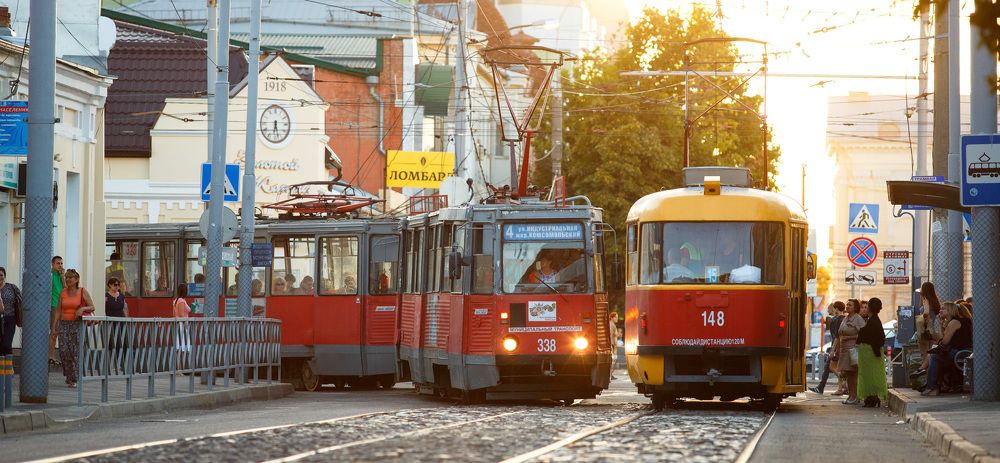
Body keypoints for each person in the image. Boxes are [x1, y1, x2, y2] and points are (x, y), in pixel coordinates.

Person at [922, 302, 973, 396]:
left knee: (934, 356)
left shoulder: (954, 322)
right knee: (936, 355)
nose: (940, 311)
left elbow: (944, 342)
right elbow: (943, 340)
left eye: (943, 309)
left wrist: (936, 330)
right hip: (965, 351)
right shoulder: (960, 321)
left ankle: (932, 387)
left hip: (960, 352)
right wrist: (942, 325)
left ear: (950, 310)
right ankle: (933, 385)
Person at [58, 269, 94, 387]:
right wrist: (54, 327)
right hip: (63, 323)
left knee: (75, 352)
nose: (68, 279)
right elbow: (58, 310)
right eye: (67, 277)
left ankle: (73, 378)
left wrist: (82, 309)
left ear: (76, 279)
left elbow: (92, 306)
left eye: (71, 277)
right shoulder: (63, 292)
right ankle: (69, 375)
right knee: (64, 351)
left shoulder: (82, 291)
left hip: (77, 324)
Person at [857, 298, 888, 407]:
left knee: (869, 376)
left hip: (869, 353)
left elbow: (877, 338)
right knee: (873, 375)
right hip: (872, 352)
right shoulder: (874, 320)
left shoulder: (873, 321)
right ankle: (872, 397)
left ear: (869, 307)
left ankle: (872, 397)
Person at [833, 298, 865, 405]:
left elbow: (864, 334)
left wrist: (850, 338)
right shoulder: (845, 318)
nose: (847, 307)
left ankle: (854, 397)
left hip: (853, 350)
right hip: (843, 350)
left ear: (855, 307)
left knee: (853, 374)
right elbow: (839, 334)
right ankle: (851, 396)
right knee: (848, 374)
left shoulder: (858, 319)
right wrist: (836, 349)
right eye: (847, 305)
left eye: (850, 305)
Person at [810, 301, 845, 395]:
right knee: (833, 367)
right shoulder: (844, 319)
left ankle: (843, 382)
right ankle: (839, 388)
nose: (829, 310)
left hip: (836, 347)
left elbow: (836, 336)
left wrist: (834, 349)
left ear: (835, 308)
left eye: (830, 308)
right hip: (840, 347)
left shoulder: (835, 320)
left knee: (831, 367)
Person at [914, 281, 944, 374]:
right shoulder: (935, 301)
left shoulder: (926, 299)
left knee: (925, 354)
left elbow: (926, 312)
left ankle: (924, 377)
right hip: (933, 330)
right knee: (931, 354)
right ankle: (931, 376)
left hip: (925, 330)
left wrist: (921, 317)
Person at [0, 267, 20, 357]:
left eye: (1, 275)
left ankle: (8, 370)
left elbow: (20, 300)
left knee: (7, 344)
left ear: (4, 276)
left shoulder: (12, 287)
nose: (0, 277)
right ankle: (1, 369)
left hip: (10, 318)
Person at [49, 256, 65, 366]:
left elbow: (65, 289)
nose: (60, 266)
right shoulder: (50, 275)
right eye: (58, 263)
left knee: (57, 333)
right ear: (53, 264)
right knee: (53, 332)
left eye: (61, 263)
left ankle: (52, 356)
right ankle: (50, 356)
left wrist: (63, 276)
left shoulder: (61, 276)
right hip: (53, 306)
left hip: (62, 307)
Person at [609, 311, 621, 379]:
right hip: (612, 345)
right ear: (612, 318)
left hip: (613, 345)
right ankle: (610, 375)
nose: (617, 319)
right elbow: (610, 335)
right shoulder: (611, 325)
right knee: (613, 360)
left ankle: (610, 374)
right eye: (616, 317)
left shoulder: (612, 324)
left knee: (614, 360)